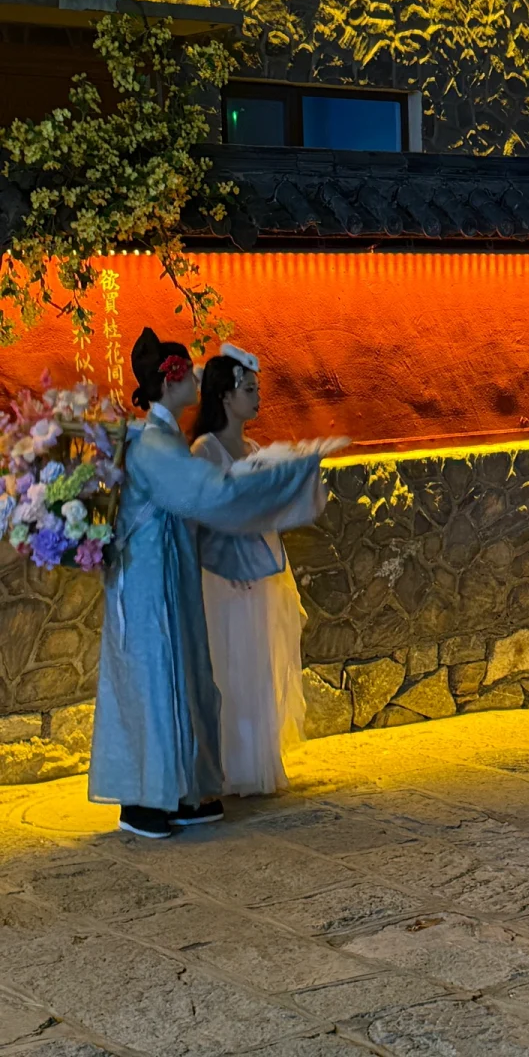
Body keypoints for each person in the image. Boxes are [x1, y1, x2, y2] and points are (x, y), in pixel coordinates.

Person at [89, 327, 330, 840]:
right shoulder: (155, 446)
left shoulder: (165, 439)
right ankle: (143, 800)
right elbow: (210, 494)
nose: (197, 380)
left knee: (189, 677)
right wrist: (285, 475)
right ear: (169, 381)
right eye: (187, 373)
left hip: (170, 577)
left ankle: (185, 789)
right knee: (156, 684)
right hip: (147, 585)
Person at [192, 344, 306, 797]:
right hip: (224, 575)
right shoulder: (205, 449)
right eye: (249, 389)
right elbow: (199, 515)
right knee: (228, 662)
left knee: (258, 660)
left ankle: (257, 761)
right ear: (225, 395)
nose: (257, 397)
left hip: (259, 568)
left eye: (258, 389)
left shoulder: (256, 448)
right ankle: (226, 764)